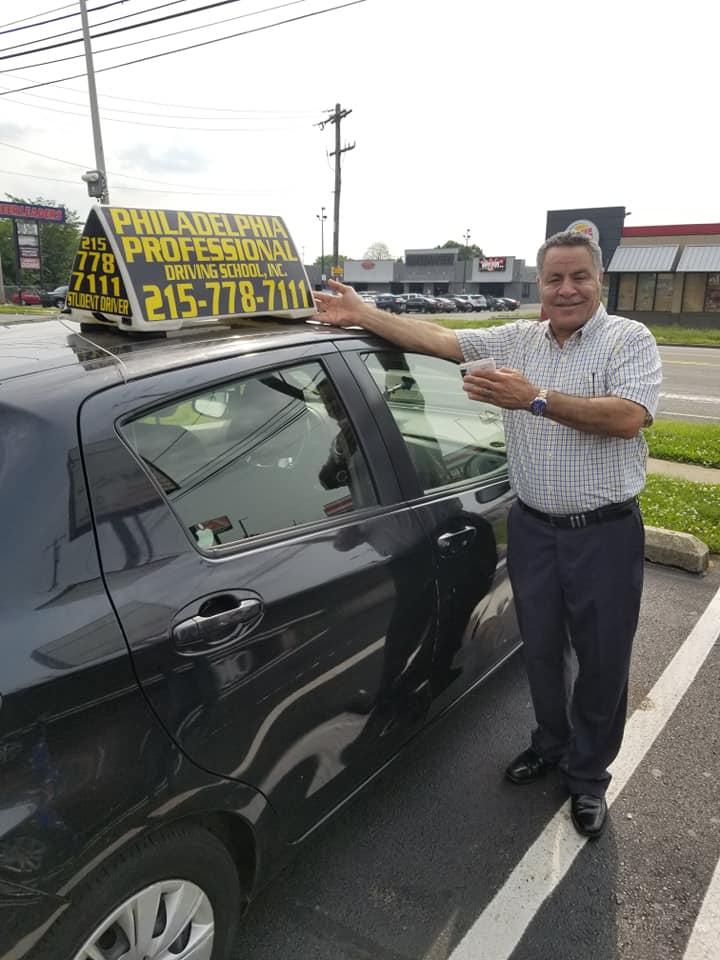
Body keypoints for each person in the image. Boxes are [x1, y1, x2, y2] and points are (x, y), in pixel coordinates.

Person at [313, 230, 662, 839]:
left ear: (599, 281)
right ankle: (550, 746)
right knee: (543, 649)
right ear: (539, 286)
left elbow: (628, 417)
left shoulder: (627, 339)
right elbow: (443, 339)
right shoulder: (518, 338)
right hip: (534, 529)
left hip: (603, 535)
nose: (566, 289)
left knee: (603, 662)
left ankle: (587, 777)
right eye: (554, 279)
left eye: (578, 276)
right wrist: (362, 313)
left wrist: (536, 400)